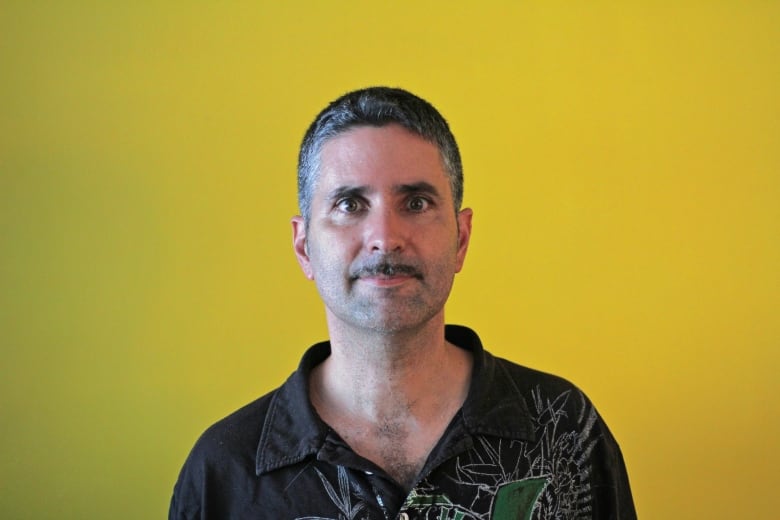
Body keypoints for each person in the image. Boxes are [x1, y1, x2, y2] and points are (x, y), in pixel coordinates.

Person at [169, 87, 636, 519]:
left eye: (415, 203)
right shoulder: (224, 470)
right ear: (304, 246)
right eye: (350, 204)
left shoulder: (566, 432)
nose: (385, 239)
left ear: (462, 238)